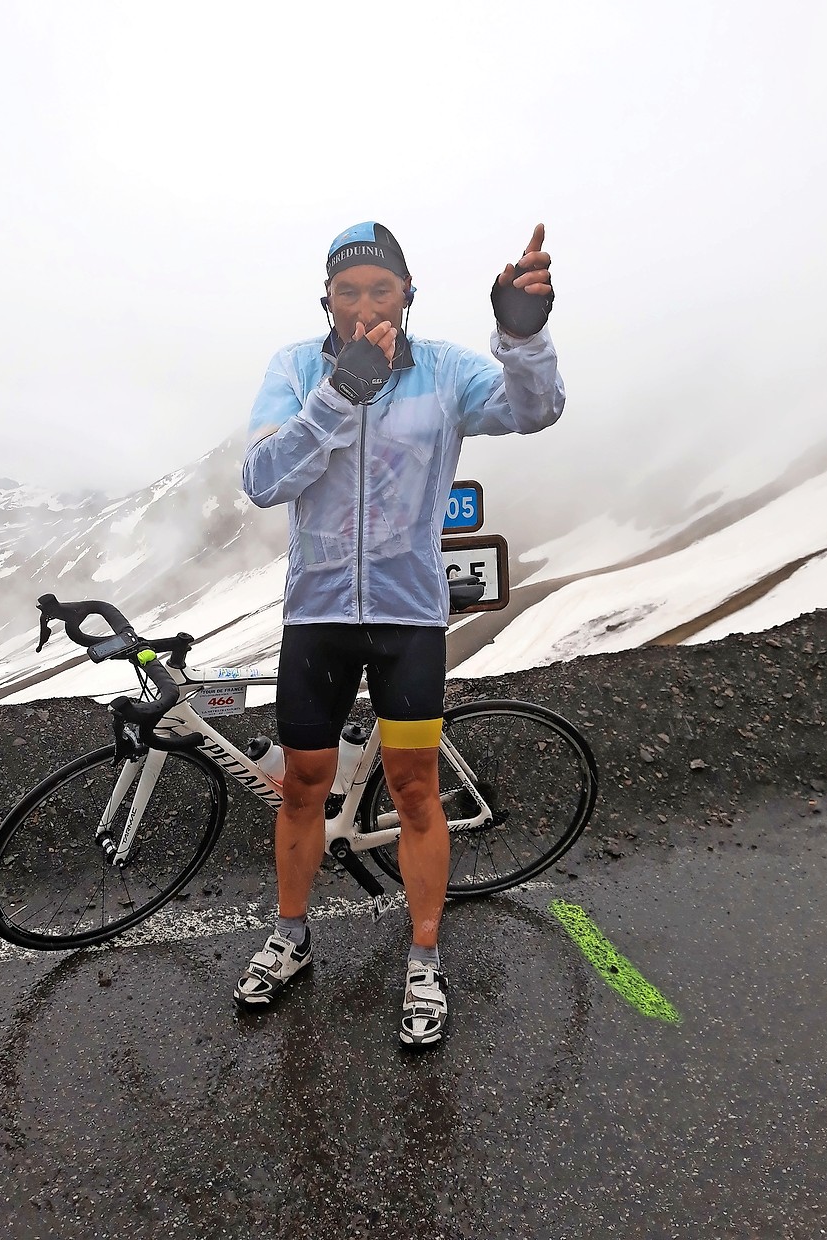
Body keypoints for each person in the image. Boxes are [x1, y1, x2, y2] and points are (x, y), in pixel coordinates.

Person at [236, 220, 564, 1047]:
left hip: (408, 618)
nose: (363, 305)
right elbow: (263, 480)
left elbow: (536, 411)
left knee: (416, 791)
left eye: (381, 289)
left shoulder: (448, 371)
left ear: (407, 295)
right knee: (303, 786)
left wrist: (522, 337)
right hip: (315, 617)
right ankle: (292, 935)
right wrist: (339, 391)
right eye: (347, 292)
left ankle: (423, 957)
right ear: (326, 299)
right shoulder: (294, 369)